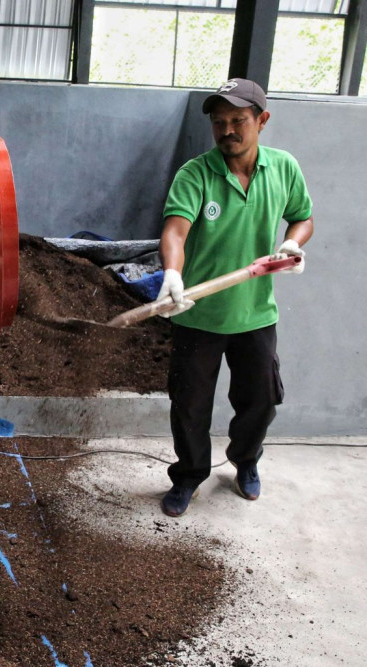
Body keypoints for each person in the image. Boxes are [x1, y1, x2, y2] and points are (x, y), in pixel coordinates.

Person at [157, 78, 314, 518]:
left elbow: (303, 218)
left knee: (260, 401)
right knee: (189, 406)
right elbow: (175, 229)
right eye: (219, 122)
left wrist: (292, 245)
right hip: (197, 315)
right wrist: (172, 271)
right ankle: (189, 475)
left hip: (256, 314)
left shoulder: (283, 168)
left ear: (262, 121)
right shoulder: (196, 173)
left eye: (238, 121)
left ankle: (246, 462)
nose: (228, 130)